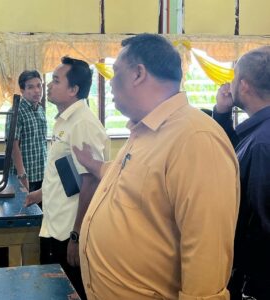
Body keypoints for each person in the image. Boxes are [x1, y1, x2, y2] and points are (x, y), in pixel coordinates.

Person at [77, 34, 240, 299]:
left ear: (138, 74)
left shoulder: (195, 138)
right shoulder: (145, 130)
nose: (110, 82)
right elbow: (129, 181)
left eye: (116, 72)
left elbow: (205, 254)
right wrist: (93, 165)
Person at [24, 56, 107, 299]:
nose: (48, 86)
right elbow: (65, 171)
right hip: (55, 223)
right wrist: (39, 194)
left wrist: (77, 235)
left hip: (70, 230)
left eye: (56, 81)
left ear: (74, 90)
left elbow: (92, 182)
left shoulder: (83, 124)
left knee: (72, 292)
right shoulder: (64, 122)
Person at [213, 46, 270, 299]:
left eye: (234, 77)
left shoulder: (262, 144)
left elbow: (261, 221)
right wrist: (223, 116)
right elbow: (231, 156)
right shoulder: (258, 134)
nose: (230, 83)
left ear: (244, 86)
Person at [6, 70, 47, 192]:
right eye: (31, 87)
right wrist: (22, 175)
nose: (37, 91)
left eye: (39, 86)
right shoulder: (15, 111)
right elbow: (13, 146)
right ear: (22, 90)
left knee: (42, 210)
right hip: (25, 176)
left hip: (41, 174)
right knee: (25, 211)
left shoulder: (40, 109)